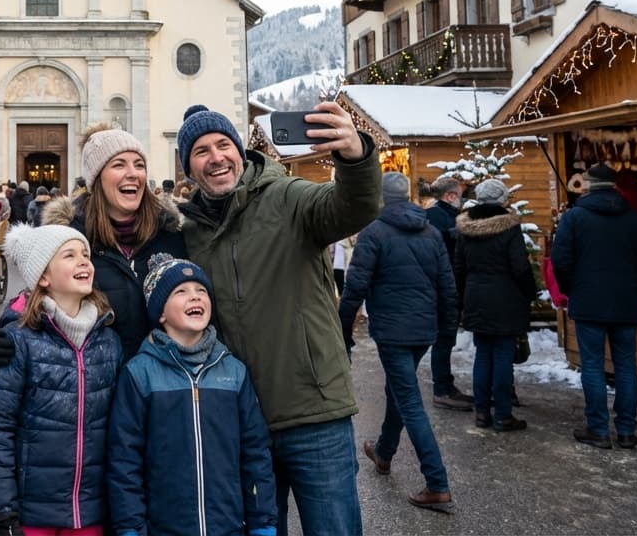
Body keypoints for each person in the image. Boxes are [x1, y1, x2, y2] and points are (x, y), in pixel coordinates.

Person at [175, 101, 381, 535]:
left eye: (223, 144)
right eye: (201, 151)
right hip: (243, 421)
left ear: (240, 151)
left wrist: (355, 156)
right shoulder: (189, 233)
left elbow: (351, 206)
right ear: (188, 169)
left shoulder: (287, 197)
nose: (216, 158)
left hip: (313, 411)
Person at [0, 124, 186, 366]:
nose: (133, 173)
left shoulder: (171, 233)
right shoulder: (69, 237)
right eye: (119, 164)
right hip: (96, 389)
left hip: (161, 387)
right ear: (96, 179)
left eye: (139, 164)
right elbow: (38, 299)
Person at [107, 255, 278, 536]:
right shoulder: (139, 374)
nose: (195, 297)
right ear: (160, 312)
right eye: (181, 291)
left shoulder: (234, 372)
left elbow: (255, 452)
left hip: (228, 526)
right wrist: (130, 527)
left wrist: (263, 522)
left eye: (201, 291)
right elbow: (125, 460)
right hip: (166, 527)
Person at [0, 224, 122, 536]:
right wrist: (0, 509)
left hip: (88, 510)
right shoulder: (18, 341)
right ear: (43, 276)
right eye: (69, 255)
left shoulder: (108, 340)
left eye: (85, 254)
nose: (84, 261)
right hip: (32, 510)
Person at [339, 172, 458, 515]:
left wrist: (343, 329)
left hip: (393, 331)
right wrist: (447, 327)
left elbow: (355, 287)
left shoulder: (373, 233)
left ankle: (437, 483)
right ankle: (385, 452)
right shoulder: (431, 232)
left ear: (381, 198)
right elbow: (447, 285)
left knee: (408, 399)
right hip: (422, 330)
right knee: (398, 390)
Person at [550, 163, 637, 450]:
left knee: (593, 366)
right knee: (626, 366)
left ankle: (598, 429)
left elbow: (560, 261)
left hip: (588, 302)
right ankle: (626, 431)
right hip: (625, 302)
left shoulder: (574, 218)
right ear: (614, 186)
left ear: (587, 186)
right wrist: (634, 287)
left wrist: (572, 289)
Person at [453, 177, 536, 433]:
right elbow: (520, 266)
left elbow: (459, 267)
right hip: (506, 298)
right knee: (502, 355)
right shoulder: (509, 228)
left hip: (476, 297)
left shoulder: (466, 229)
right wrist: (529, 292)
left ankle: (481, 411)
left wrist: (462, 297)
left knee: (483, 354)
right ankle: (502, 414)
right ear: (502, 199)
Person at [424, 175, 473, 410]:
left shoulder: (440, 216)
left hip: (445, 283)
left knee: (445, 338)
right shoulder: (439, 218)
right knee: (443, 338)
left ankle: (445, 385)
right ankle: (442, 389)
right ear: (450, 195)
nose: (461, 200)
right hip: (445, 285)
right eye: (460, 195)